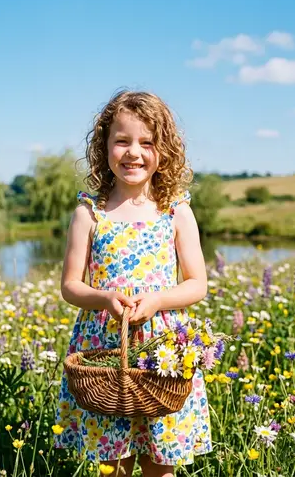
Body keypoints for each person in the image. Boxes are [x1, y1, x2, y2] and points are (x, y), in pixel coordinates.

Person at [53, 90, 212, 477]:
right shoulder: (89, 213)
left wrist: (158, 300)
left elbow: (197, 283)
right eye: (122, 141)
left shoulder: (176, 211)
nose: (133, 153)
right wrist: (103, 297)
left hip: (163, 353)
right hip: (106, 347)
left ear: (164, 150)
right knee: (114, 462)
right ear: (104, 146)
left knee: (161, 461)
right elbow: (70, 285)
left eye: (147, 143)